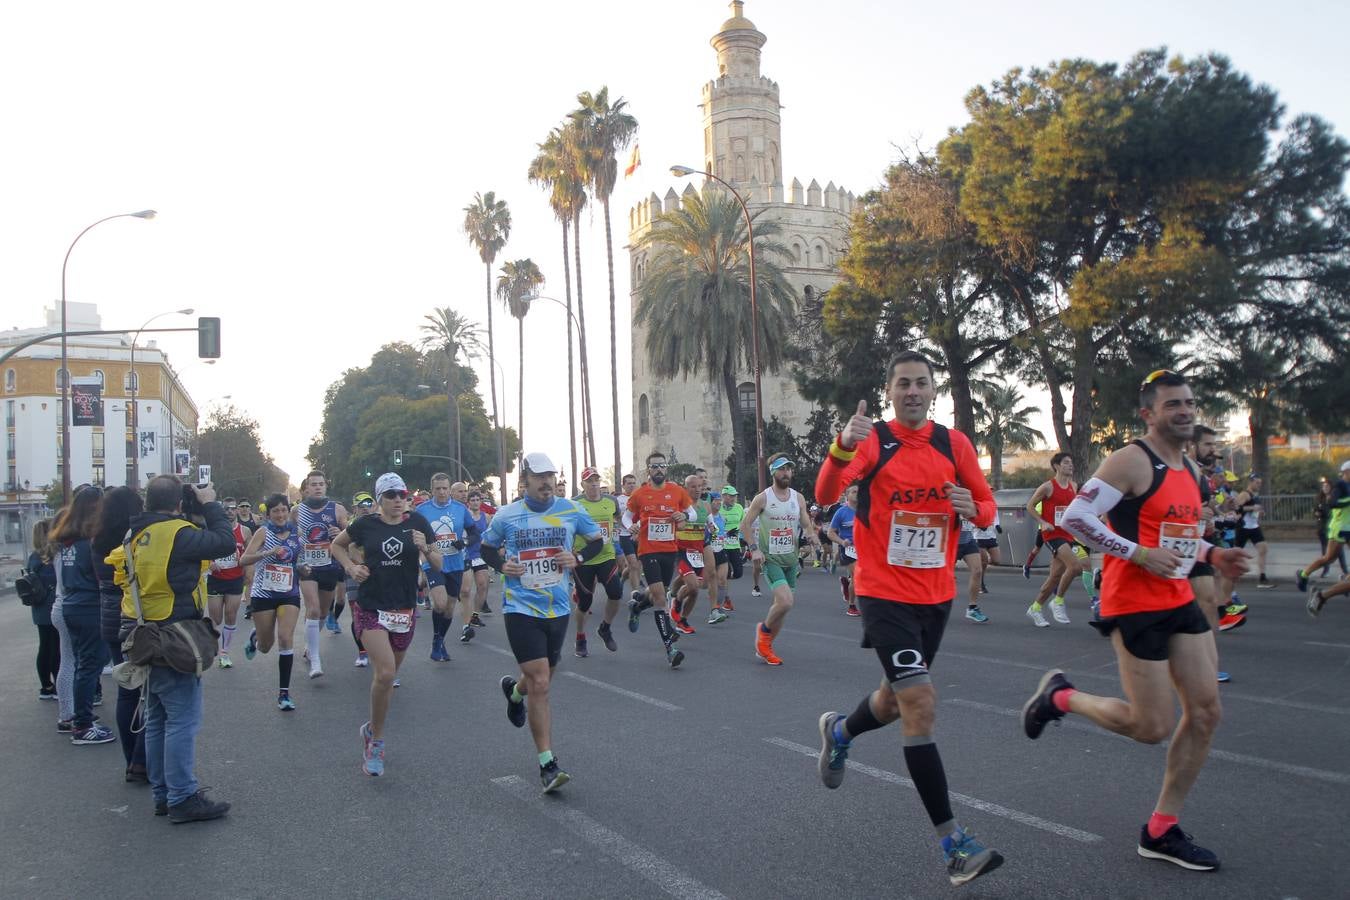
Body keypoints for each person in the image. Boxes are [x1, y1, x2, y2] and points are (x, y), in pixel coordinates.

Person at [1022, 369, 1248, 870]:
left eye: (1189, 403)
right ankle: (1060, 696)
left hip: (1178, 598)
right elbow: (1075, 519)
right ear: (1149, 413)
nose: (1185, 411)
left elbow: (1179, 540)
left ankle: (1161, 829)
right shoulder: (1131, 460)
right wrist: (1139, 555)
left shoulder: (1189, 470)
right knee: (1150, 726)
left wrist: (1214, 556)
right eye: (1173, 405)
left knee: (1206, 712)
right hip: (1135, 603)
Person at [812, 352, 1003, 887]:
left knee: (895, 700)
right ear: (890, 391)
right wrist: (842, 445)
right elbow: (826, 494)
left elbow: (987, 508)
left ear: (933, 390)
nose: (912, 391)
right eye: (903, 384)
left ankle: (841, 731)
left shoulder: (954, 444)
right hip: (883, 590)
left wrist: (973, 507)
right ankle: (954, 845)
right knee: (919, 700)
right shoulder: (874, 441)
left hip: (934, 594)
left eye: (921, 383)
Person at [109, 475, 235, 823]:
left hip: (141, 631)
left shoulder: (135, 533)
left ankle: (164, 794)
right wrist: (210, 503)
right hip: (172, 636)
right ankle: (182, 797)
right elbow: (225, 543)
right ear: (179, 504)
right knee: (182, 720)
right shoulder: (177, 533)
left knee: (158, 718)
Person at [479, 453, 605, 791]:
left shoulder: (570, 510)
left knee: (545, 673)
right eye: (539, 476)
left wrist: (576, 557)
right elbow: (487, 548)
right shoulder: (507, 515)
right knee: (541, 682)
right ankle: (548, 764)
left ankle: (515, 693)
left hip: (558, 607)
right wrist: (501, 566)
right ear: (526, 480)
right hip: (520, 607)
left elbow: (598, 541)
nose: (546, 482)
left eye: (550, 475)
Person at [333, 473, 441, 776]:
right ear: (379, 498)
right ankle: (377, 744)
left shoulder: (418, 522)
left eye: (402, 494)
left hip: (404, 608)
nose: (397, 500)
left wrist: (427, 548)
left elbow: (439, 564)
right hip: (371, 606)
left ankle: (371, 729)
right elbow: (337, 546)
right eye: (391, 495)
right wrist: (352, 567)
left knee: (387, 679)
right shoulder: (366, 525)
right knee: (386, 673)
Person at [741, 454, 821, 666]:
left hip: (791, 560)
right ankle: (763, 633)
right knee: (785, 601)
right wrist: (754, 549)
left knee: (783, 606)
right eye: (782, 469)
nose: (786, 473)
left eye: (789, 469)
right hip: (771, 559)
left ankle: (766, 647)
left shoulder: (798, 498)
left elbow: (805, 523)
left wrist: (811, 534)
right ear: (773, 473)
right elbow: (745, 525)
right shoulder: (764, 498)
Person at [623, 451, 697, 668]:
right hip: (648, 550)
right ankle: (670, 649)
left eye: (661, 466)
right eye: (654, 466)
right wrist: (631, 526)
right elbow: (626, 517)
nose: (658, 469)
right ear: (648, 470)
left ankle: (637, 608)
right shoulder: (640, 494)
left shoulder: (676, 491)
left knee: (658, 593)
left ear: (666, 469)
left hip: (669, 550)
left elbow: (692, 513)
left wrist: (684, 516)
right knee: (661, 599)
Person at [52, 484, 112, 745]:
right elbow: (102, 576)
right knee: (89, 665)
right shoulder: (91, 543)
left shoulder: (68, 541)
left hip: (72, 605)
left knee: (79, 664)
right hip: (89, 606)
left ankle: (79, 717)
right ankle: (83, 725)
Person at [94, 487, 148, 779]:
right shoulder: (136, 540)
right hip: (133, 618)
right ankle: (142, 759)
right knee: (149, 692)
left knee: (126, 691)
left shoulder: (97, 540)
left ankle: (130, 760)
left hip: (109, 620)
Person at [240, 495, 304, 710]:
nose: (280, 515)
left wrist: (304, 568)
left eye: (283, 510)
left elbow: (301, 560)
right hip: (263, 594)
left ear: (288, 511)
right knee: (266, 647)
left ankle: (284, 694)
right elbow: (244, 559)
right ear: (268, 514)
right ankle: (256, 636)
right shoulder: (263, 532)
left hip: (289, 593)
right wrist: (268, 552)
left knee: (285, 637)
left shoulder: (297, 533)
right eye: (275, 511)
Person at [294, 470, 349, 678]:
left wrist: (340, 533)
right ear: (306, 488)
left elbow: (351, 534)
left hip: (330, 565)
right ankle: (315, 659)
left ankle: (311, 645)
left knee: (324, 613)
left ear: (326, 487)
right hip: (306, 566)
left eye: (321, 484)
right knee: (313, 609)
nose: (317, 487)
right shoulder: (297, 511)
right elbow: (287, 534)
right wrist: (295, 536)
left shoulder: (337, 509)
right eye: (313, 484)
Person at [415, 473, 476, 654]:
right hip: (433, 562)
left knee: (449, 609)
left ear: (450, 489)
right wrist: (422, 553)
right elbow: (413, 533)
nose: (441, 492)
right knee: (440, 604)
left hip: (455, 563)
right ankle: (436, 640)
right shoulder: (422, 510)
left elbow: (474, 533)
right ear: (432, 489)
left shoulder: (460, 509)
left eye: (444, 488)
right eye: (437, 489)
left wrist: (464, 542)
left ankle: (440, 639)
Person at [570, 467, 625, 657]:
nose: (594, 484)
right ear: (582, 485)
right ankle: (580, 636)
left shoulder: (611, 501)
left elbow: (618, 518)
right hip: (584, 559)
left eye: (596, 480)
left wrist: (625, 532)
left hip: (606, 556)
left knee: (616, 593)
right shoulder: (575, 504)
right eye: (589, 481)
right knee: (585, 602)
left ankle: (605, 628)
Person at [1024, 453, 1083, 626]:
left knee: (1055, 577)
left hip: (1067, 534)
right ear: (1056, 466)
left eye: (1071, 462)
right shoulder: (1048, 487)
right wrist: (1043, 522)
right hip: (1051, 534)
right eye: (1066, 462)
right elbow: (1029, 506)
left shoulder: (1074, 486)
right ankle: (1057, 602)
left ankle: (1035, 608)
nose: (1070, 465)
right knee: (1076, 566)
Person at [207, 498, 251, 668]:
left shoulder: (245, 531)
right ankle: (212, 645)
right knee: (216, 619)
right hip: (216, 579)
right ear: (222, 511)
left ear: (237, 511)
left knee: (231, 615)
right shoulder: (213, 530)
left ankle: (224, 652)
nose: (230, 511)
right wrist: (209, 561)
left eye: (233, 508)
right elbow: (204, 548)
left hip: (235, 578)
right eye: (227, 509)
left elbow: (251, 551)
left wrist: (247, 568)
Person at [1297, 463, 1350, 591]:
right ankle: (1304, 574)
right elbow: (1332, 503)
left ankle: (1346, 584)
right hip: (1340, 528)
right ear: (1347, 471)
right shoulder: (1340, 485)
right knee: (1329, 558)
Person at [27, 520, 60, 701]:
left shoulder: (34, 557)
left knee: (45, 645)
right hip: (50, 605)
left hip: (39, 607)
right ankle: (54, 686)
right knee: (55, 647)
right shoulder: (48, 558)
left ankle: (45, 685)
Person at [1233, 473, 1273, 589]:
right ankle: (1231, 574)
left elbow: (1255, 509)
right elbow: (1236, 507)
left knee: (1263, 548)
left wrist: (1260, 512)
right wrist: (1251, 508)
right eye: (1257, 482)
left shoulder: (1255, 495)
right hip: (1244, 527)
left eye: (1260, 483)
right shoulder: (1245, 494)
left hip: (1254, 527)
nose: (1259, 485)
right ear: (1250, 482)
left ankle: (1262, 576)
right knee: (1236, 552)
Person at [825, 484, 860, 616]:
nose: (857, 493)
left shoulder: (865, 510)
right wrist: (842, 541)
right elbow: (830, 533)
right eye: (853, 492)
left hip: (863, 548)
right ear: (847, 495)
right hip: (848, 549)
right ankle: (851, 606)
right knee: (857, 576)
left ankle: (847, 583)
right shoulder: (841, 512)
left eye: (859, 491)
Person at [462, 488, 493, 619]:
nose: (475, 502)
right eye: (472, 500)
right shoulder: (465, 515)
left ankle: (475, 616)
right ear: (468, 502)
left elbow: (490, 535)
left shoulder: (486, 517)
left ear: (481, 501)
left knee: (483, 585)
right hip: (466, 555)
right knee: (465, 590)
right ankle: (466, 614)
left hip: (480, 555)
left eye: (477, 500)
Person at [956, 517, 988, 623]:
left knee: (977, 570)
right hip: (951, 541)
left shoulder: (973, 500)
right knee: (942, 576)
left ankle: (972, 608)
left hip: (968, 540)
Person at [719, 485, 745, 609]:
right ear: (724, 496)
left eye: (735, 496)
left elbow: (744, 523)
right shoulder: (717, 509)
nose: (734, 498)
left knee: (738, 573)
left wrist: (743, 538)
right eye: (731, 496)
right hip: (720, 545)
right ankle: (725, 598)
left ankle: (719, 582)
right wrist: (724, 534)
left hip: (734, 545)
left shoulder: (739, 508)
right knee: (725, 573)